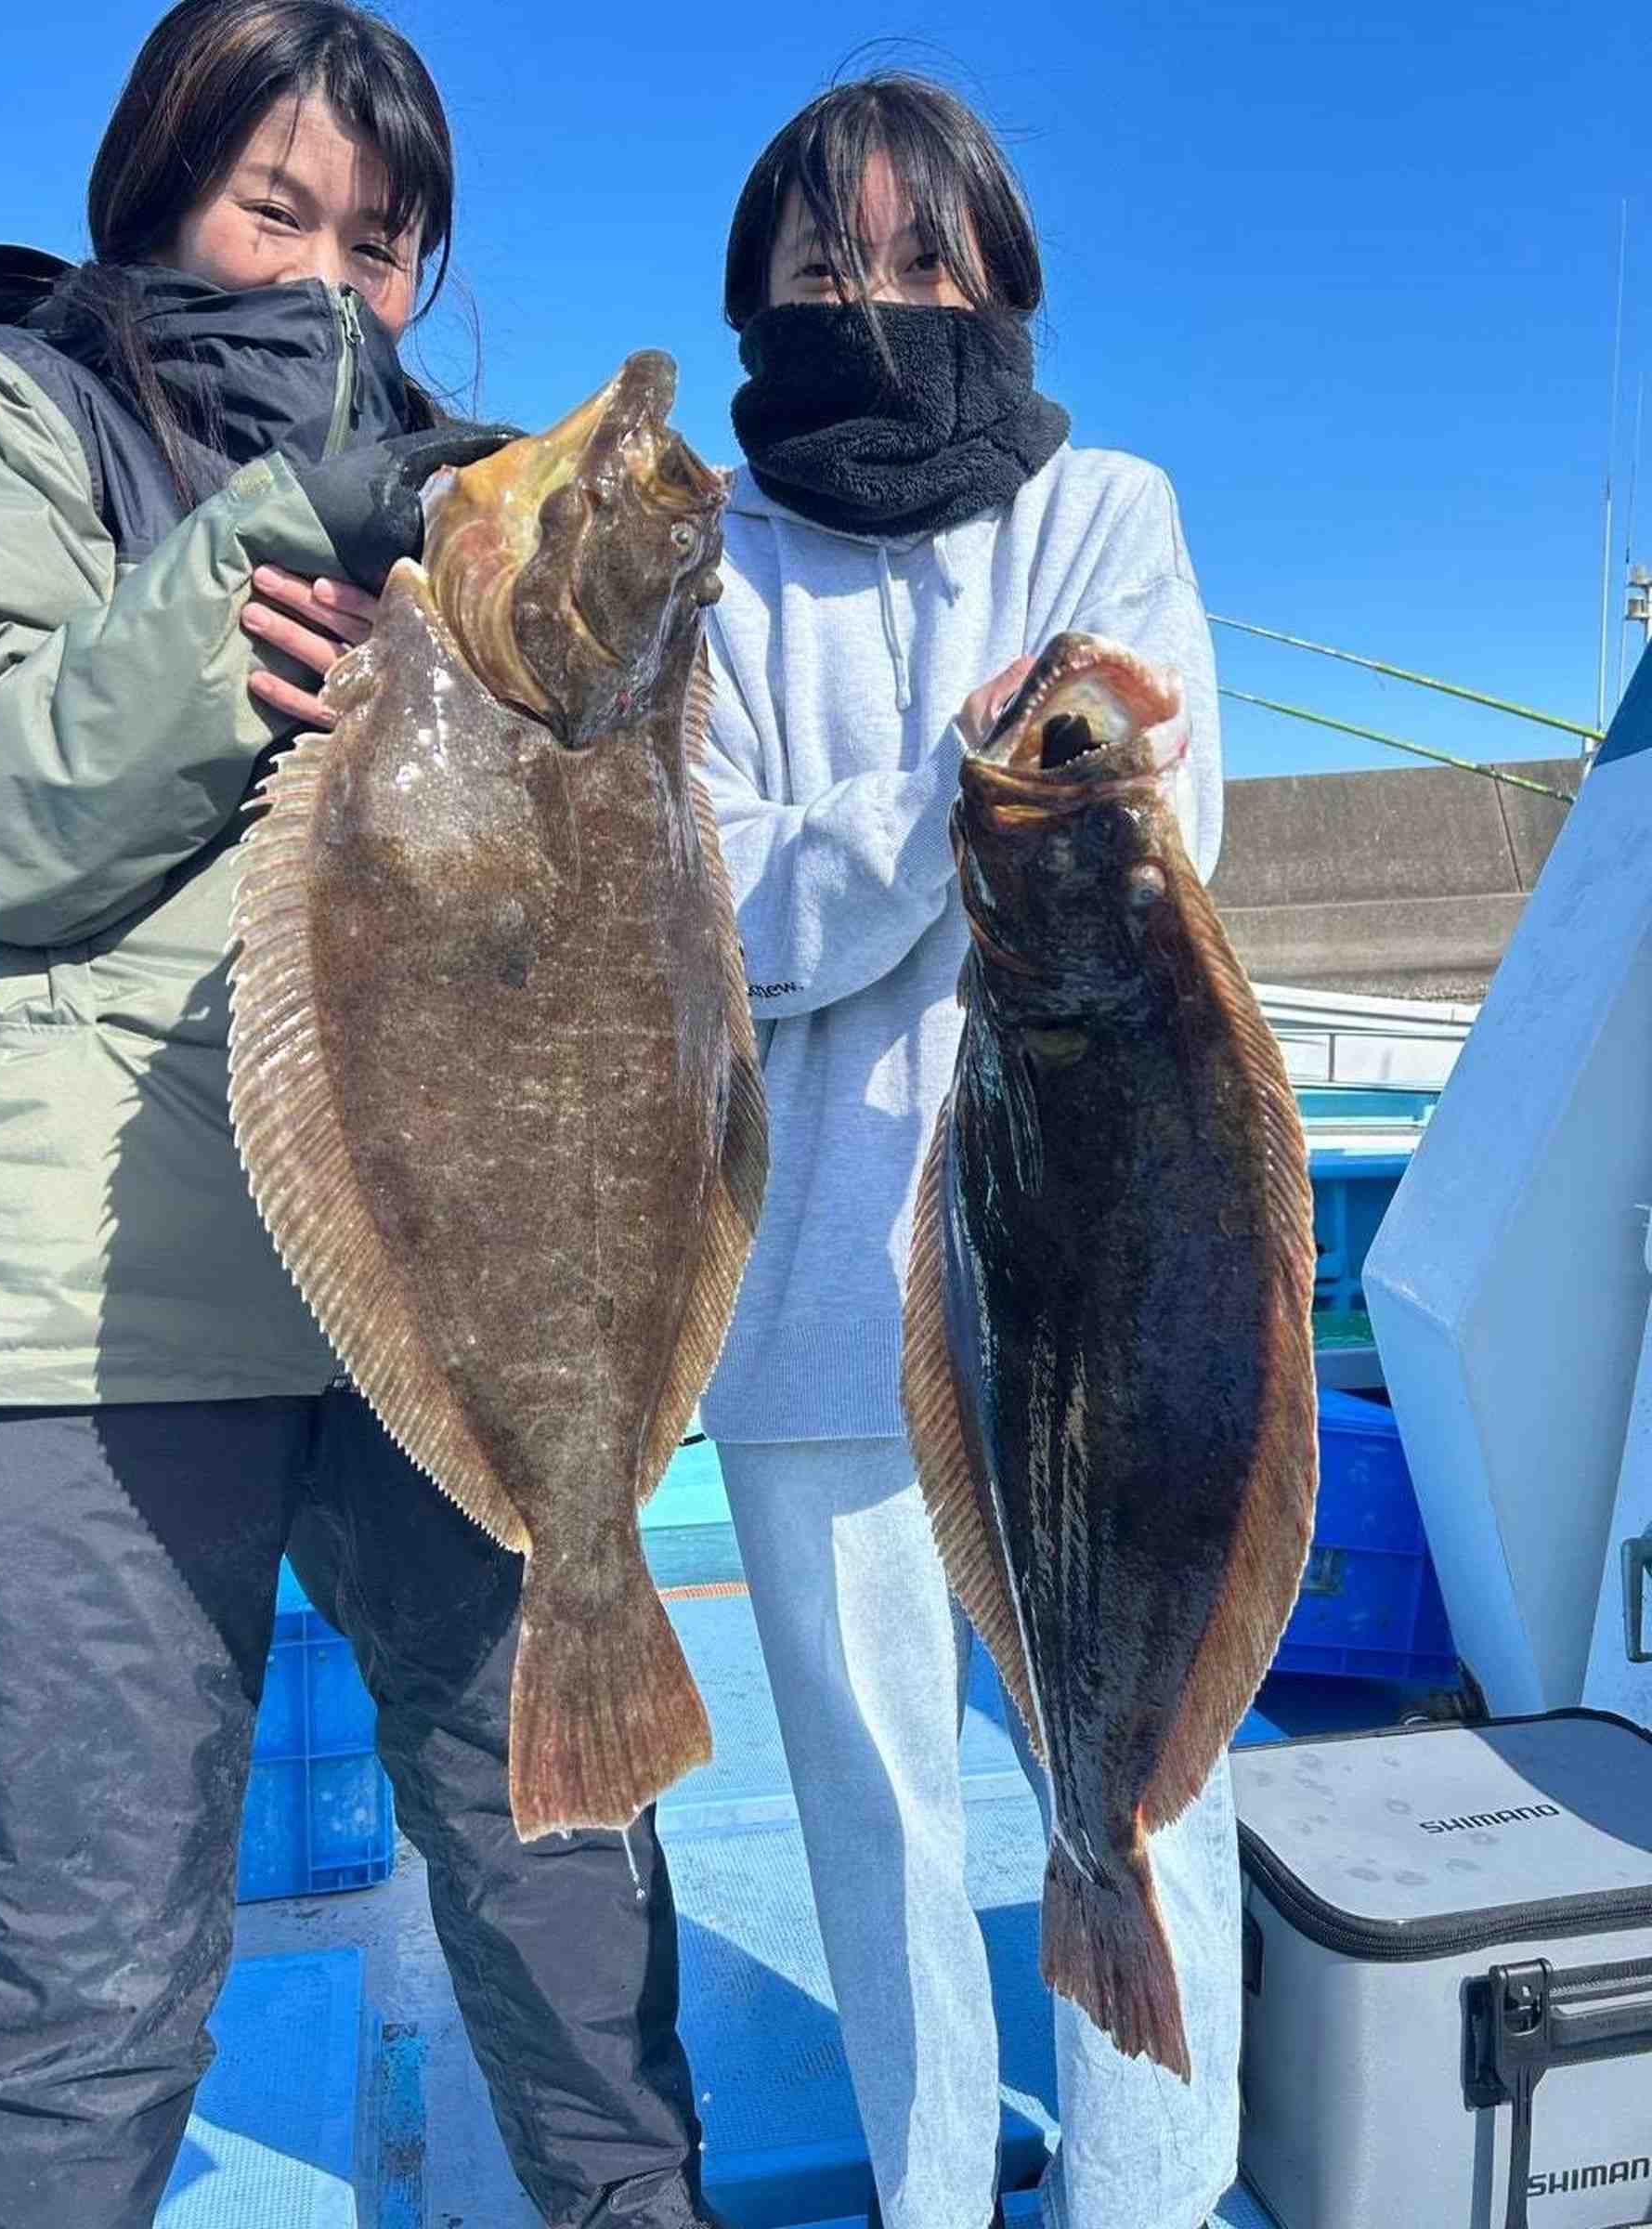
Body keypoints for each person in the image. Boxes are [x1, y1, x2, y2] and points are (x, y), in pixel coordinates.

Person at [0, 5, 720, 2223]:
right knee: (54, 1993)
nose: (338, 275)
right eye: (278, 207)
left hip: (442, 1287)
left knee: (577, 1908)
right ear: (156, 187)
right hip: (94, 1316)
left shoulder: (466, 507)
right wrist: (264, 532)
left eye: (389, 235)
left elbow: (626, 906)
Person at [689, 77, 1231, 2229]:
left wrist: (1023, 791)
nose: (879, 300)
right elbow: (709, 915)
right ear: (757, 299)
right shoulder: (708, 568)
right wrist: (951, 799)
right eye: (828, 268)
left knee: (1146, 1793)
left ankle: (1149, 2191)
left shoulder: (1107, 507)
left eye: (925, 262)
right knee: (878, 1822)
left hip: (1110, 1294)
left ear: (1004, 280)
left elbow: (1169, 830)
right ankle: (930, 2197)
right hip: (815, 1300)